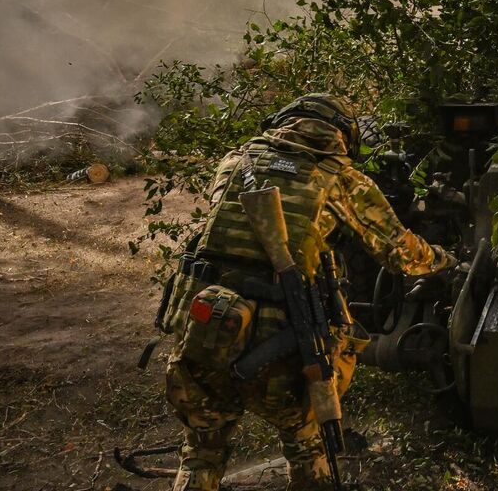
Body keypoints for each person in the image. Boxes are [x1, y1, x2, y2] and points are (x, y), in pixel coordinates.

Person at [155, 94, 455, 491]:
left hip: (206, 330)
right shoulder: (341, 178)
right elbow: (401, 253)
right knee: (306, 444)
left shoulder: (236, 161)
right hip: (283, 339)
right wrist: (444, 260)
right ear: (342, 135)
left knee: (202, 452)